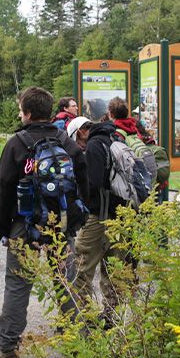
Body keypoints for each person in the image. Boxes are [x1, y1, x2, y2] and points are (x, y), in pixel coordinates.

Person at [0, 86, 88, 358]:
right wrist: (74, 222)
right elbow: (83, 185)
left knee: (19, 283)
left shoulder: (16, 144)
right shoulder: (67, 142)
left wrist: (2, 228)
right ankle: (74, 345)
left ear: (29, 113)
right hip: (61, 224)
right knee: (66, 283)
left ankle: (8, 350)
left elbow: (4, 190)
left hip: (25, 224)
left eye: (21, 110)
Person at [73, 117, 126, 326]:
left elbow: (93, 182)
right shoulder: (117, 137)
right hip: (121, 215)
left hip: (99, 216)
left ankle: (85, 317)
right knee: (112, 268)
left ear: (81, 133)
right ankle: (111, 315)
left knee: (82, 265)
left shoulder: (95, 144)